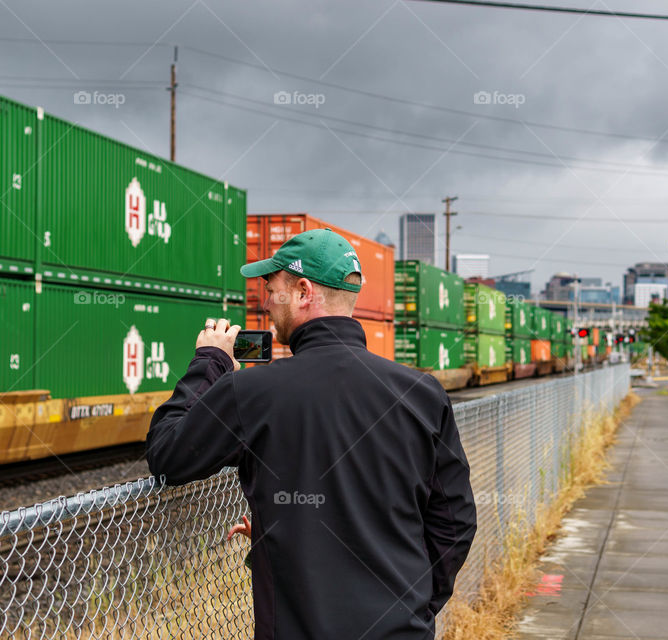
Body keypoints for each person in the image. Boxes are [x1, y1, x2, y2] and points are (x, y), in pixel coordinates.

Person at [146, 228, 477, 640]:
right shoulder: (422, 393)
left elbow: (167, 454)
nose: (265, 302)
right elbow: (455, 523)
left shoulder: (252, 392)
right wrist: (413, 605)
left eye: (271, 288)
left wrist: (211, 361)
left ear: (303, 292)